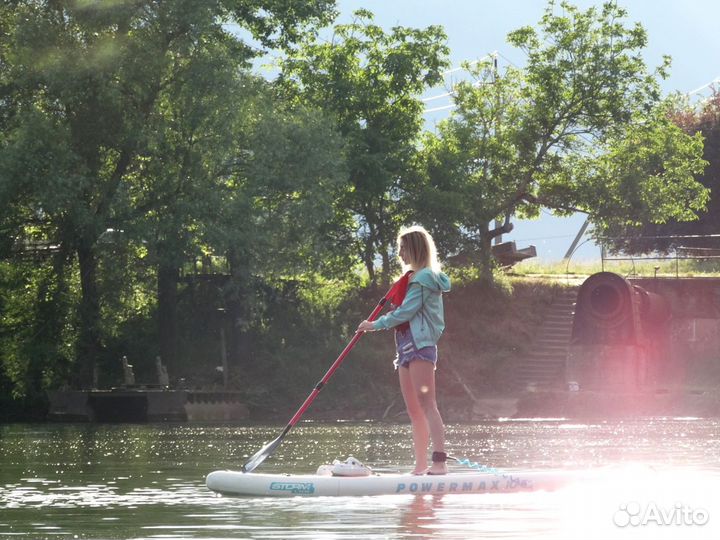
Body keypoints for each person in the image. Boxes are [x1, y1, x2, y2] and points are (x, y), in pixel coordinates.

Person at [358, 226, 451, 475]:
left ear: (414, 248)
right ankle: (420, 467)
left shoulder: (424, 279)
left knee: (427, 404)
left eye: (402, 248)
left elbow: (407, 312)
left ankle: (439, 463)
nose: (399, 253)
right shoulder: (413, 278)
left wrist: (374, 325)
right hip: (405, 347)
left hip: (421, 346)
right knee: (413, 409)